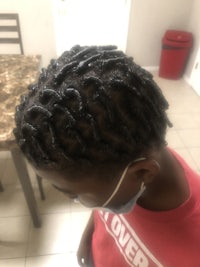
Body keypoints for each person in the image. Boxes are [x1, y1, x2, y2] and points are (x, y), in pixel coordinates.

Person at [14, 45, 200, 267]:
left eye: (77, 195)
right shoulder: (121, 162)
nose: (75, 201)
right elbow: (104, 211)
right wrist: (88, 237)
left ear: (143, 171)